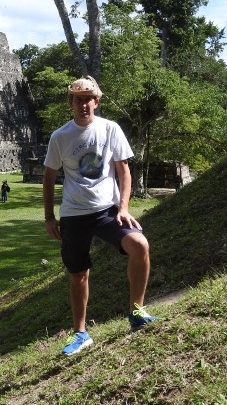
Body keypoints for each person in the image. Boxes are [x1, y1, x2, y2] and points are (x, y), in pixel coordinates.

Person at [43, 76, 155, 356]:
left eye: (88, 99)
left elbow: (124, 170)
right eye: (77, 100)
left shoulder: (110, 129)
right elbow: (49, 177)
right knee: (79, 274)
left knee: (139, 245)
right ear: (71, 103)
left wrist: (124, 207)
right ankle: (80, 333)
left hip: (107, 211)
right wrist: (49, 217)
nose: (83, 105)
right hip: (74, 215)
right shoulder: (60, 136)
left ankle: (137, 311)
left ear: (97, 101)